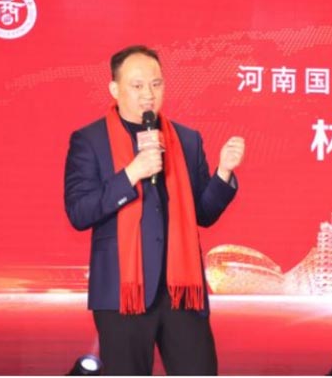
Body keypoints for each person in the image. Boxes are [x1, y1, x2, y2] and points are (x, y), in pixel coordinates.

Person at [64, 45, 245, 375]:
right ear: (115, 89)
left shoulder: (187, 140)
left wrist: (224, 173)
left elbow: (204, 214)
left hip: (181, 291)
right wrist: (131, 174)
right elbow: (79, 211)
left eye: (156, 84)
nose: (148, 94)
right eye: (137, 85)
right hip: (123, 292)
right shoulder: (90, 140)